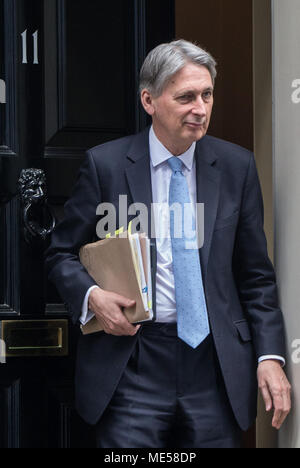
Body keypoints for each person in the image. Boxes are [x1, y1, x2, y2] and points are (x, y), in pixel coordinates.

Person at [45, 40, 291, 448]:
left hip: (214, 367)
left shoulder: (237, 167)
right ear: (149, 100)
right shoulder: (104, 166)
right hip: (132, 363)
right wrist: (91, 296)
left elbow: (255, 276)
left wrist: (270, 356)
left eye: (207, 94)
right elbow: (60, 253)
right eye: (186, 97)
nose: (201, 108)